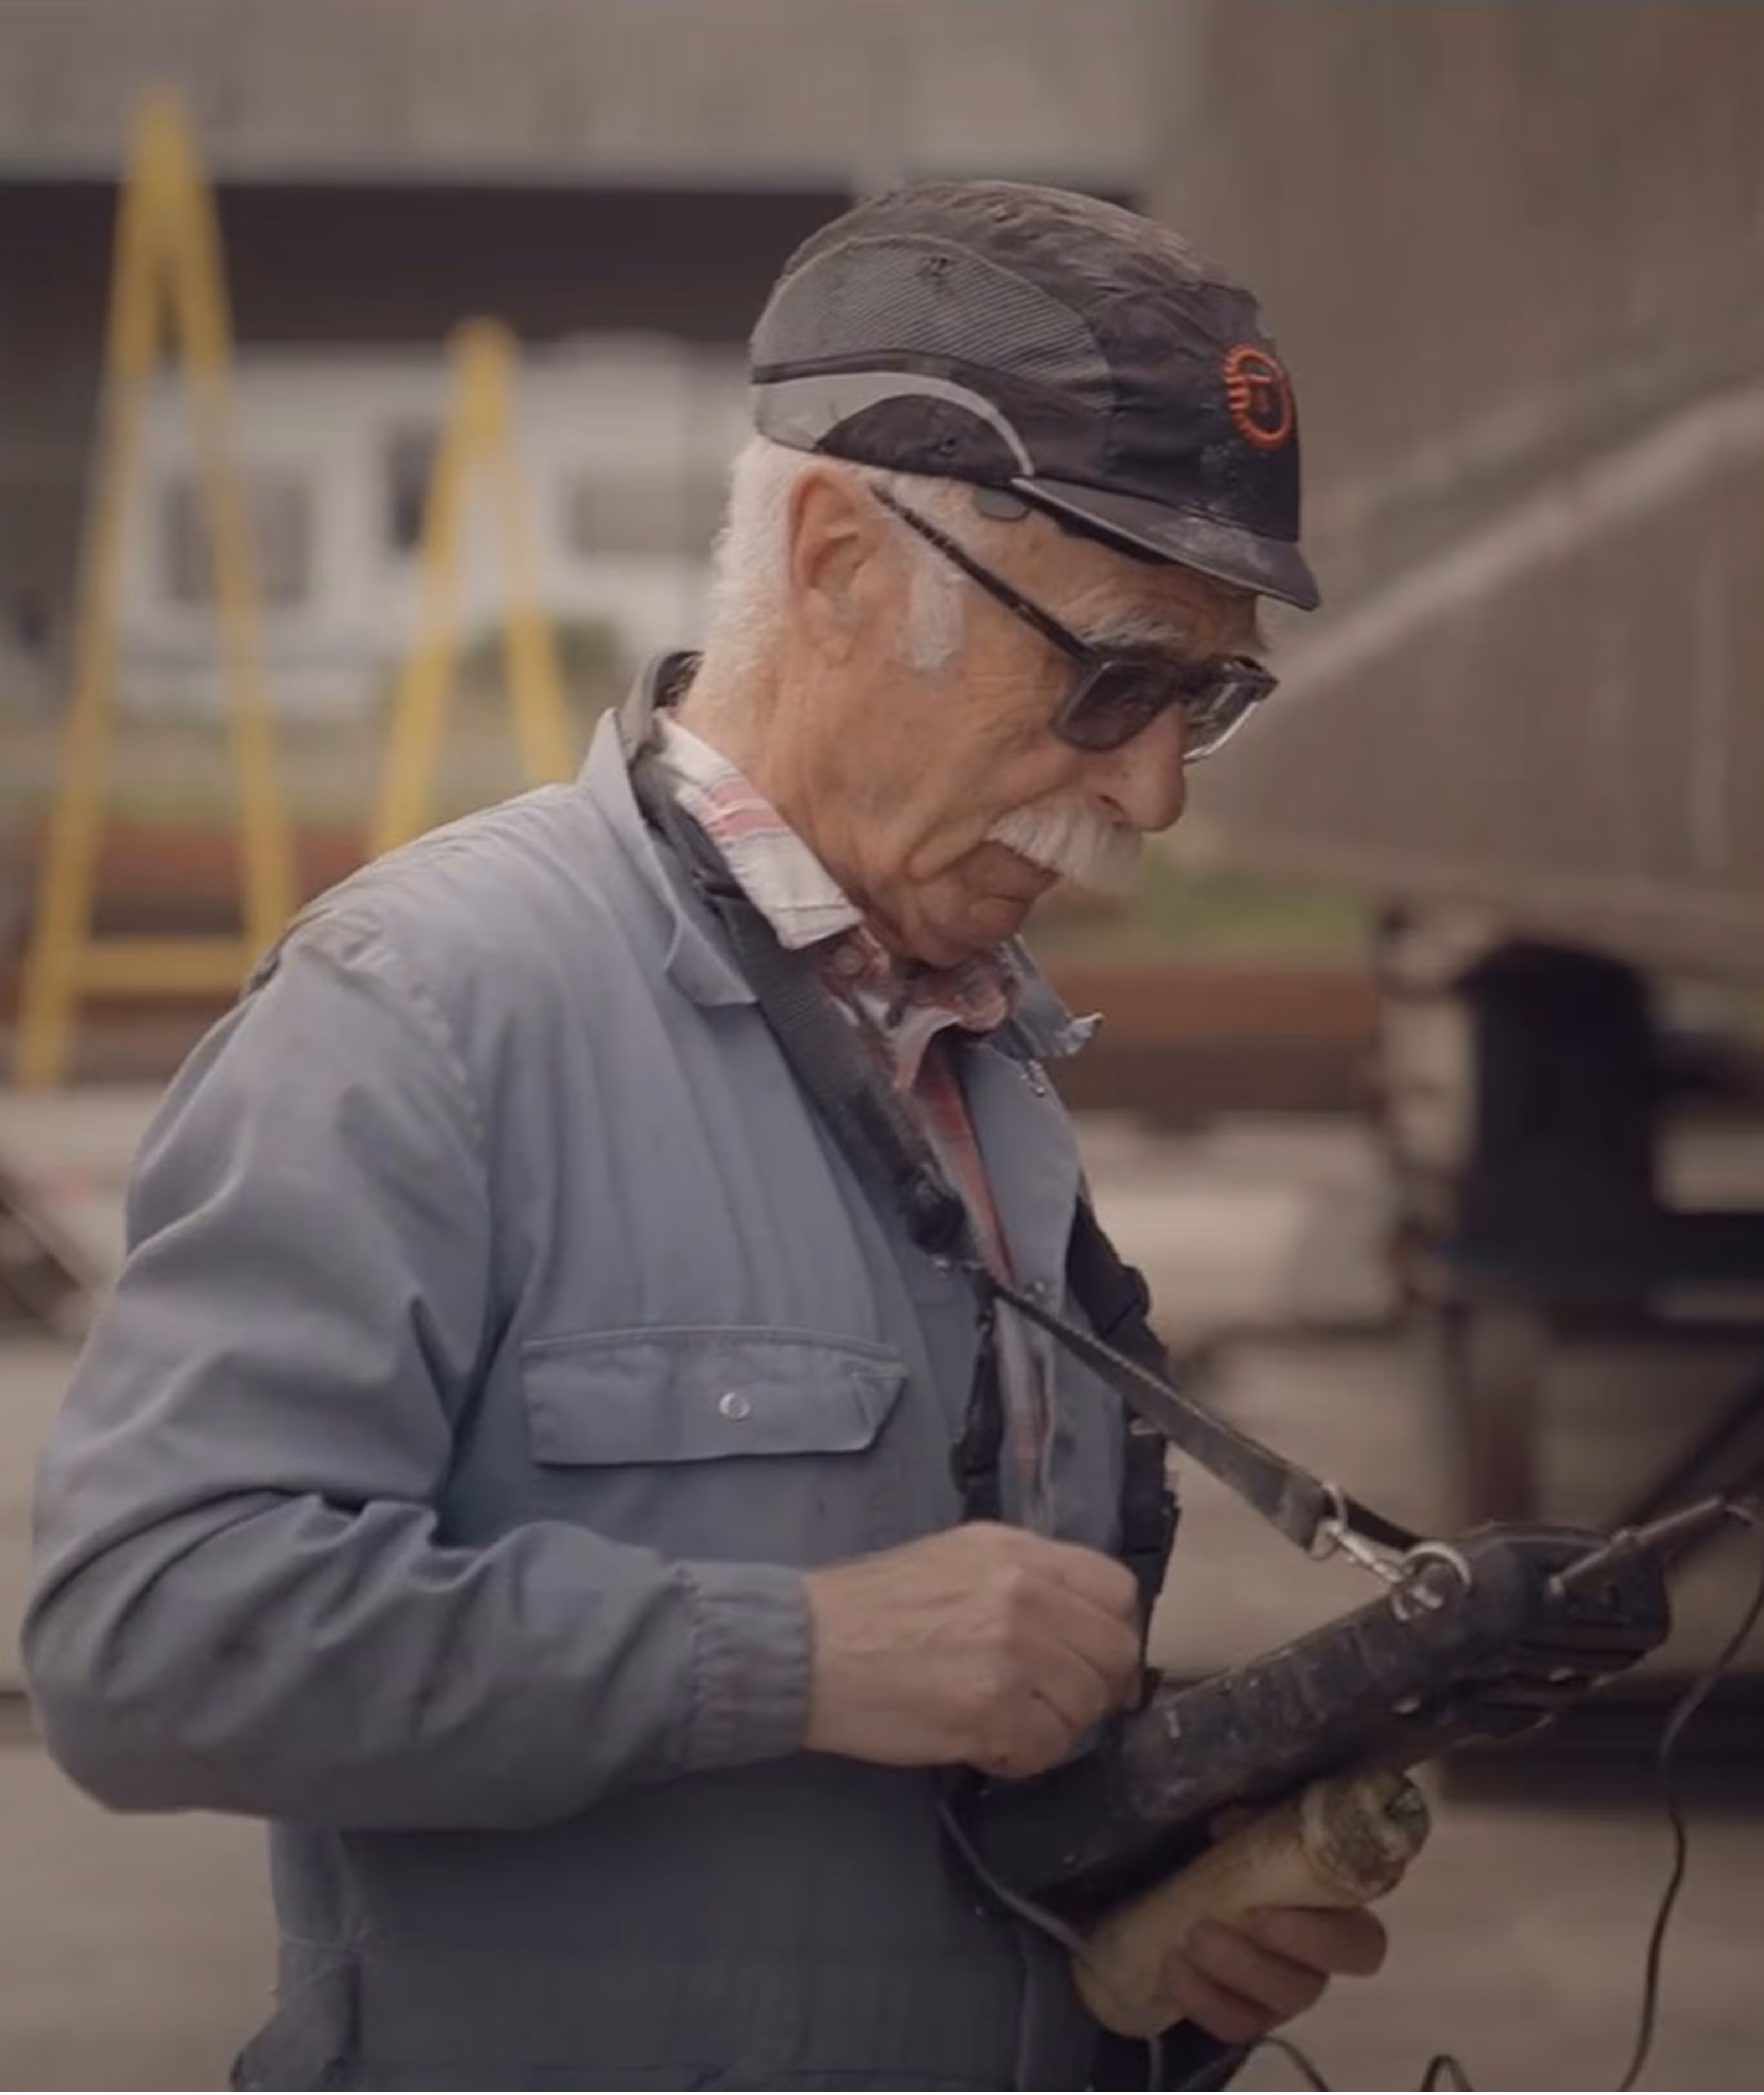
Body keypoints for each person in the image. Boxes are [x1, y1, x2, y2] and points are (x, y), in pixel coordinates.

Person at [24, 181, 1386, 2091]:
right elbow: (143, 1636)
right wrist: (796, 1655)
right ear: (837, 558)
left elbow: (950, 1752)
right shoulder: (425, 1007)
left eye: (1209, 698)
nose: (1155, 790)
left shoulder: (982, 1058)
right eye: (1112, 677)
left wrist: (1140, 1939)